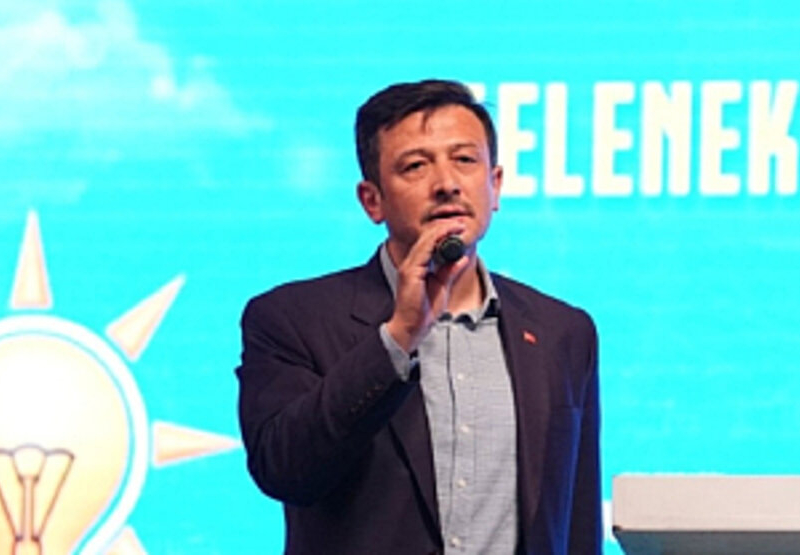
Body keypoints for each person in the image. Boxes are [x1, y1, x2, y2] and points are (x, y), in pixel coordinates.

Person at [236, 79, 601, 554]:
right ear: (372, 200)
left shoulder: (562, 332)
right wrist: (398, 337)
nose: (447, 183)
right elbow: (285, 471)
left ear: (495, 185)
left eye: (465, 160)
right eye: (415, 166)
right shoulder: (292, 319)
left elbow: (576, 522)